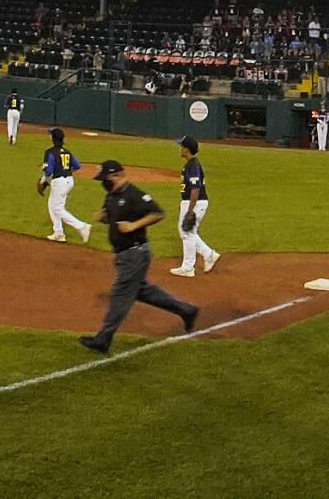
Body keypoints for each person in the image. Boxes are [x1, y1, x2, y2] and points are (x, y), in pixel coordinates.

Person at [78, 160, 198, 353]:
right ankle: (186, 310)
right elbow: (111, 215)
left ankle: (103, 339)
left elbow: (158, 213)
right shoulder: (111, 196)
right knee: (142, 291)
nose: (102, 182)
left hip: (135, 253)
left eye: (104, 178)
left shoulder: (134, 194)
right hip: (124, 254)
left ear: (115, 176)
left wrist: (134, 226)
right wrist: (104, 217)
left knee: (119, 295)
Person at [170, 135, 220, 277]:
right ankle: (209, 254)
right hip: (191, 202)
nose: (180, 149)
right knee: (186, 232)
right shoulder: (191, 164)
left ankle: (188, 267)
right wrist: (184, 204)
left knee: (187, 233)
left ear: (187, 149)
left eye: (182, 147)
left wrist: (189, 210)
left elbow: (196, 189)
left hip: (196, 202)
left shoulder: (193, 165)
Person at [38, 128, 93, 242]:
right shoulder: (67, 152)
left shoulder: (50, 152)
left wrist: (43, 180)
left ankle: (82, 226)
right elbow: (77, 165)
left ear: (53, 138)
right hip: (69, 181)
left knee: (57, 208)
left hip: (59, 182)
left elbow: (49, 171)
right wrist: (67, 172)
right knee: (52, 205)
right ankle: (59, 233)